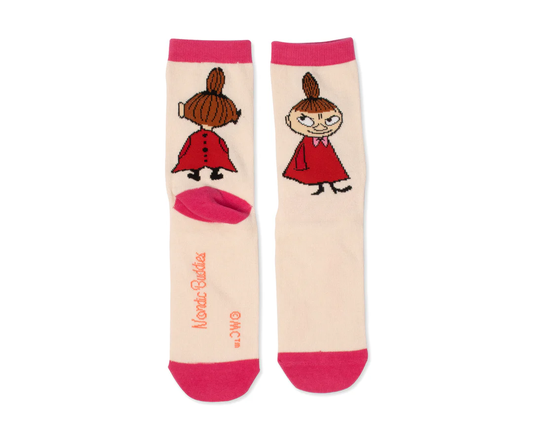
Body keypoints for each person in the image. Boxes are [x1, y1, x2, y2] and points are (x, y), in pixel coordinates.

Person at [283, 72, 352, 195]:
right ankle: (320, 188)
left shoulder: (324, 141)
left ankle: (333, 187)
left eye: (330, 120)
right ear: (288, 120)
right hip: (311, 161)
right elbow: (300, 153)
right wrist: (300, 165)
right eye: (307, 121)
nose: (320, 127)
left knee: (329, 168)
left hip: (325, 157)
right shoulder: (308, 142)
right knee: (317, 172)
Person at [171, 67, 240, 181]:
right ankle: (197, 173)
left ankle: (212, 173)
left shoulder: (201, 137)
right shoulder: (202, 138)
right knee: (196, 160)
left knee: (213, 160)